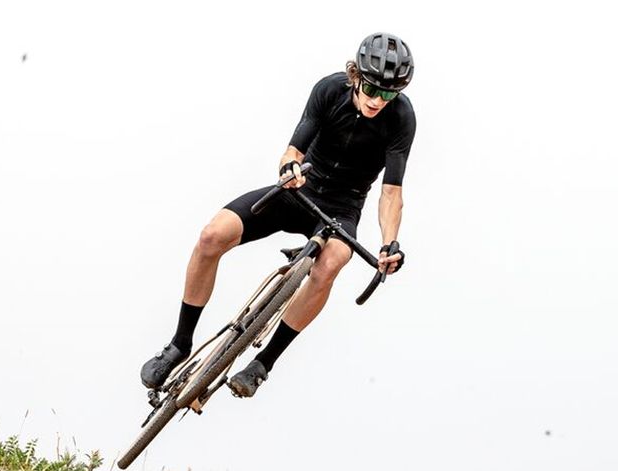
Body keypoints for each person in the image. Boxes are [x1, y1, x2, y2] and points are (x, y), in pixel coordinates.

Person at [140, 33, 416, 398]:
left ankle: (262, 364)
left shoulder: (401, 118)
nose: (377, 100)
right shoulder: (329, 90)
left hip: (342, 207)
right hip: (298, 189)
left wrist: (388, 243)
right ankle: (179, 343)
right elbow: (292, 150)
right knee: (211, 236)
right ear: (355, 76)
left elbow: (391, 192)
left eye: (388, 94)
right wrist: (291, 168)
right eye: (371, 89)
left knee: (332, 263)